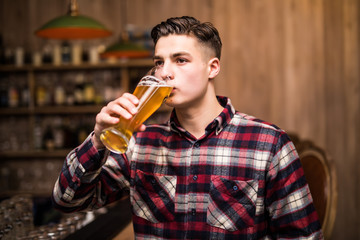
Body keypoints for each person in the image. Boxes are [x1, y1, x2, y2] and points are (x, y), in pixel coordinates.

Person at [52, 16, 323, 239]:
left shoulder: (269, 143)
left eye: (180, 60)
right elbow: (67, 201)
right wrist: (98, 141)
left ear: (212, 68)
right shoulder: (140, 143)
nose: (165, 72)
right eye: (159, 62)